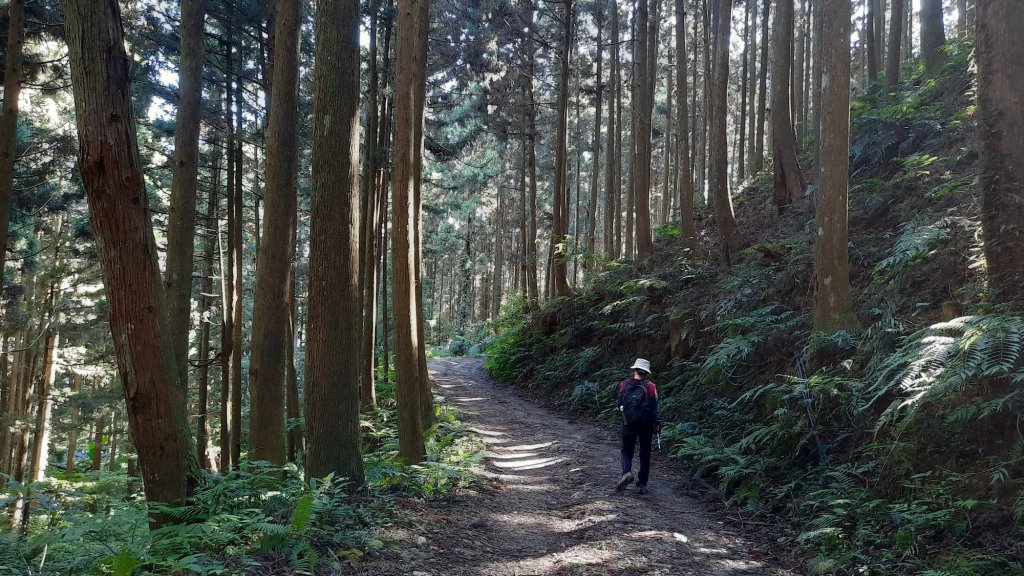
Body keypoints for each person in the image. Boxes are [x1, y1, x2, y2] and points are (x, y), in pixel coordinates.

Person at [615, 358, 661, 494]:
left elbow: (619, 404)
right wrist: (657, 423)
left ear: (634, 370)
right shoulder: (651, 386)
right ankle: (642, 484)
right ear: (646, 373)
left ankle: (626, 473)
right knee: (645, 454)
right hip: (646, 425)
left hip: (628, 423)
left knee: (626, 451)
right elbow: (655, 407)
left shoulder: (624, 384)